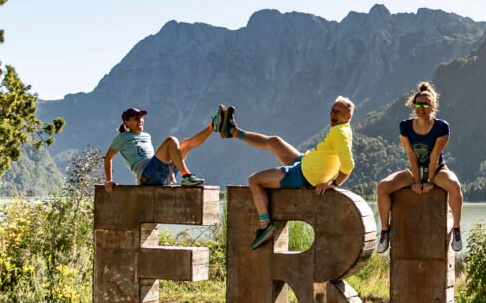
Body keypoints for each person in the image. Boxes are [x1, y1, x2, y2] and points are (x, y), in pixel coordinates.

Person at [216, 98, 356, 250]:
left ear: (348, 117)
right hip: (305, 163)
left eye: (338, 112)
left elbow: (348, 165)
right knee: (274, 141)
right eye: (332, 110)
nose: (333, 114)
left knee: (254, 180)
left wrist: (332, 184)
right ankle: (231, 131)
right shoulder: (343, 129)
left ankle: (265, 226)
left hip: (302, 175)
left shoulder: (339, 132)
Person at [374, 82, 464, 254]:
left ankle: (457, 230)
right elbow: (410, 154)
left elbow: (434, 156)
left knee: (454, 186)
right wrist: (416, 181)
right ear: (413, 105)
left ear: (433, 106)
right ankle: (385, 231)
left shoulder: (441, 127)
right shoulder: (405, 126)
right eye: (417, 104)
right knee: (382, 187)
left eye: (425, 104)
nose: (420, 107)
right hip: (414, 169)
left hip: (437, 169)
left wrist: (429, 181)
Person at [104, 107, 214, 191]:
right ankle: (186, 176)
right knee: (171, 140)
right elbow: (108, 158)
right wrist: (109, 180)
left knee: (186, 144)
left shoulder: (147, 136)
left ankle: (213, 126)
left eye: (141, 118)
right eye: (136, 119)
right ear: (126, 123)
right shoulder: (122, 137)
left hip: (161, 174)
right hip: (147, 175)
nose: (140, 121)